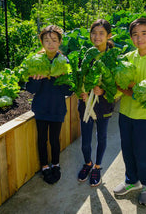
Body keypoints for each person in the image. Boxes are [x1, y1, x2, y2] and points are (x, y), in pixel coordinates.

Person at [113, 17, 146, 206]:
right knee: (127, 149)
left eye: (144, 33)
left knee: (143, 152)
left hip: (144, 117)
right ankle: (131, 180)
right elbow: (119, 84)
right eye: (135, 35)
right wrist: (136, 90)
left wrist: (130, 88)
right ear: (131, 38)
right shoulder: (127, 57)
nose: (139, 38)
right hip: (125, 113)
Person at [26, 25, 73, 185]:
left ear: (60, 42)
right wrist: (37, 80)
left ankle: (56, 164)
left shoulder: (64, 61)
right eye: (46, 40)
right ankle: (45, 166)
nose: (50, 44)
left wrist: (59, 78)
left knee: (54, 139)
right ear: (41, 42)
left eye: (54, 40)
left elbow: (68, 91)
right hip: (41, 108)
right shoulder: (36, 61)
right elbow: (30, 89)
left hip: (57, 108)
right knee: (42, 139)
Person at [77, 19, 115, 187]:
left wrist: (104, 91)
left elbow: (117, 84)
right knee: (85, 140)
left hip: (104, 104)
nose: (97, 36)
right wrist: (81, 92)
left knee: (102, 136)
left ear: (109, 36)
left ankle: (98, 167)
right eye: (94, 33)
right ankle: (88, 163)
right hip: (86, 104)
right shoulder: (85, 54)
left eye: (101, 33)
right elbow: (78, 78)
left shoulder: (112, 57)